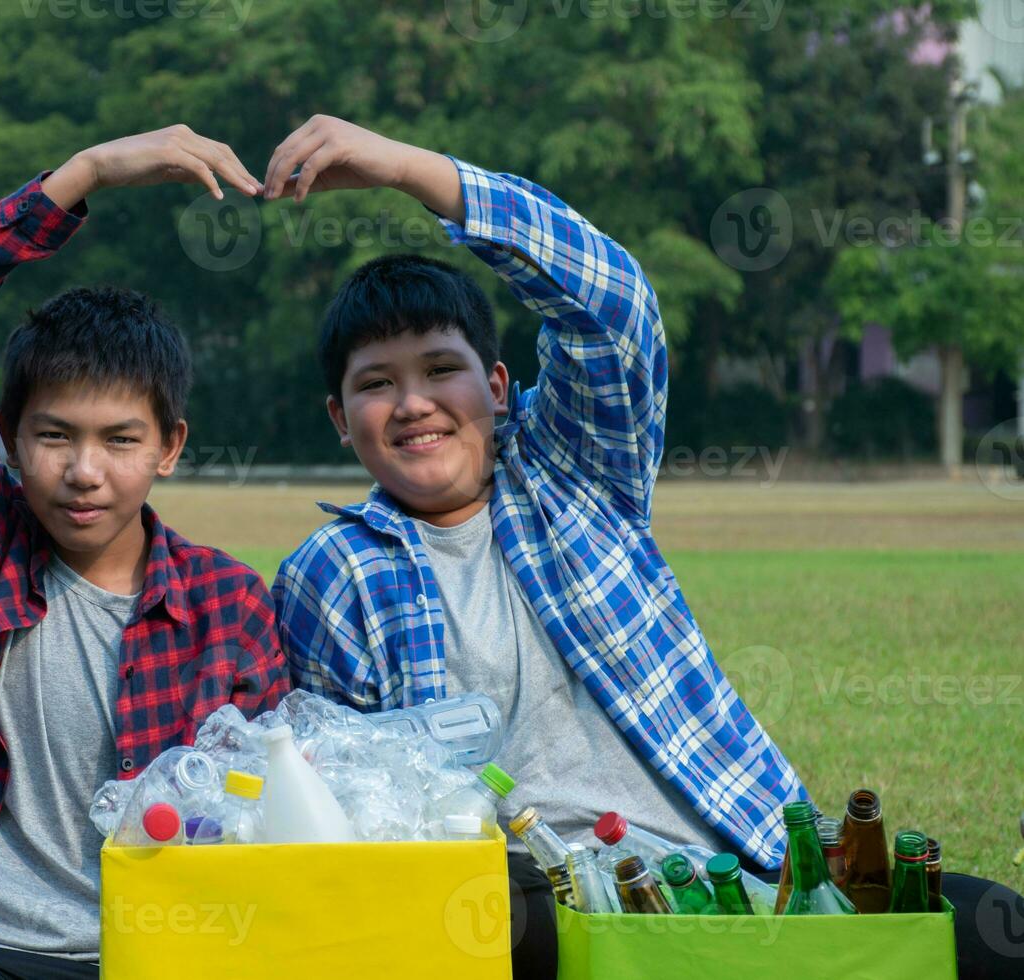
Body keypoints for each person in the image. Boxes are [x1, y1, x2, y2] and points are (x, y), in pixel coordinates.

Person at [268, 115, 1023, 978]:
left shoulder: (577, 471)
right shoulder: (330, 575)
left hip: (750, 879)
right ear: (339, 419)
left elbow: (614, 304)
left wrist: (409, 170)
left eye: (442, 369)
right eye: (376, 384)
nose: (413, 404)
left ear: (499, 387)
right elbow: (362, 808)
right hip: (552, 910)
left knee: (989, 924)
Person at [0, 125, 289, 979]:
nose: (84, 472)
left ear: (170, 447)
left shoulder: (228, 602)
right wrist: (88, 172)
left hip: (163, 950)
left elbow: (267, 808)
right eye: (55, 436)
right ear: (9, 438)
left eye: (120, 439)